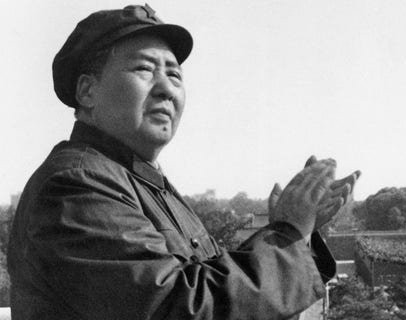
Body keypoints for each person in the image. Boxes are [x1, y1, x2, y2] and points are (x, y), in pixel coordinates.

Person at [8, 4, 359, 320]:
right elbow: (178, 307)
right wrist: (287, 234)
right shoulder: (76, 185)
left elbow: (205, 279)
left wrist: (298, 233)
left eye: (175, 75)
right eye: (144, 69)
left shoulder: (139, 181)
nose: (166, 88)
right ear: (88, 92)